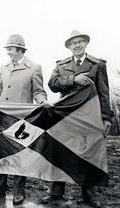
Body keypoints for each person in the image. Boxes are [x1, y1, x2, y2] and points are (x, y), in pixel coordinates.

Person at [42, 30, 112, 208]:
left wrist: (106, 118)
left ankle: (89, 196)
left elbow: (104, 93)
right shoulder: (61, 65)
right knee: (60, 153)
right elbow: (52, 85)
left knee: (88, 154)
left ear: (86, 44)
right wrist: (74, 79)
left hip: (89, 119)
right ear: (69, 46)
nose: (78, 45)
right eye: (74, 43)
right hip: (65, 118)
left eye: (81, 42)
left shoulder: (98, 65)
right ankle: (56, 194)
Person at [0, 34, 47, 205]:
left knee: (20, 155)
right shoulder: (4, 67)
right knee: (1, 154)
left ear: (20, 49)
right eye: (7, 49)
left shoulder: (34, 67)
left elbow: (38, 91)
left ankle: (19, 192)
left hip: (22, 120)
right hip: (2, 118)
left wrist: (43, 102)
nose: (8, 52)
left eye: (10, 49)